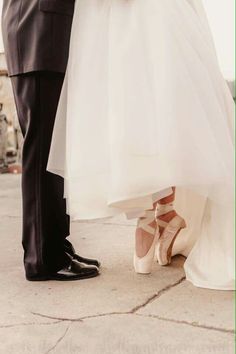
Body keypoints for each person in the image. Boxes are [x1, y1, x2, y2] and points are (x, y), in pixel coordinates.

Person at [48, 0, 234, 290]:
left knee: (130, 100)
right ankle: (162, 213)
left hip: (116, 16)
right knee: (165, 95)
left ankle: (152, 218)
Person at [1, 0, 100, 281]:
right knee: (43, 151)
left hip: (40, 34)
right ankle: (44, 258)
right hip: (40, 36)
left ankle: (56, 245)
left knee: (53, 153)